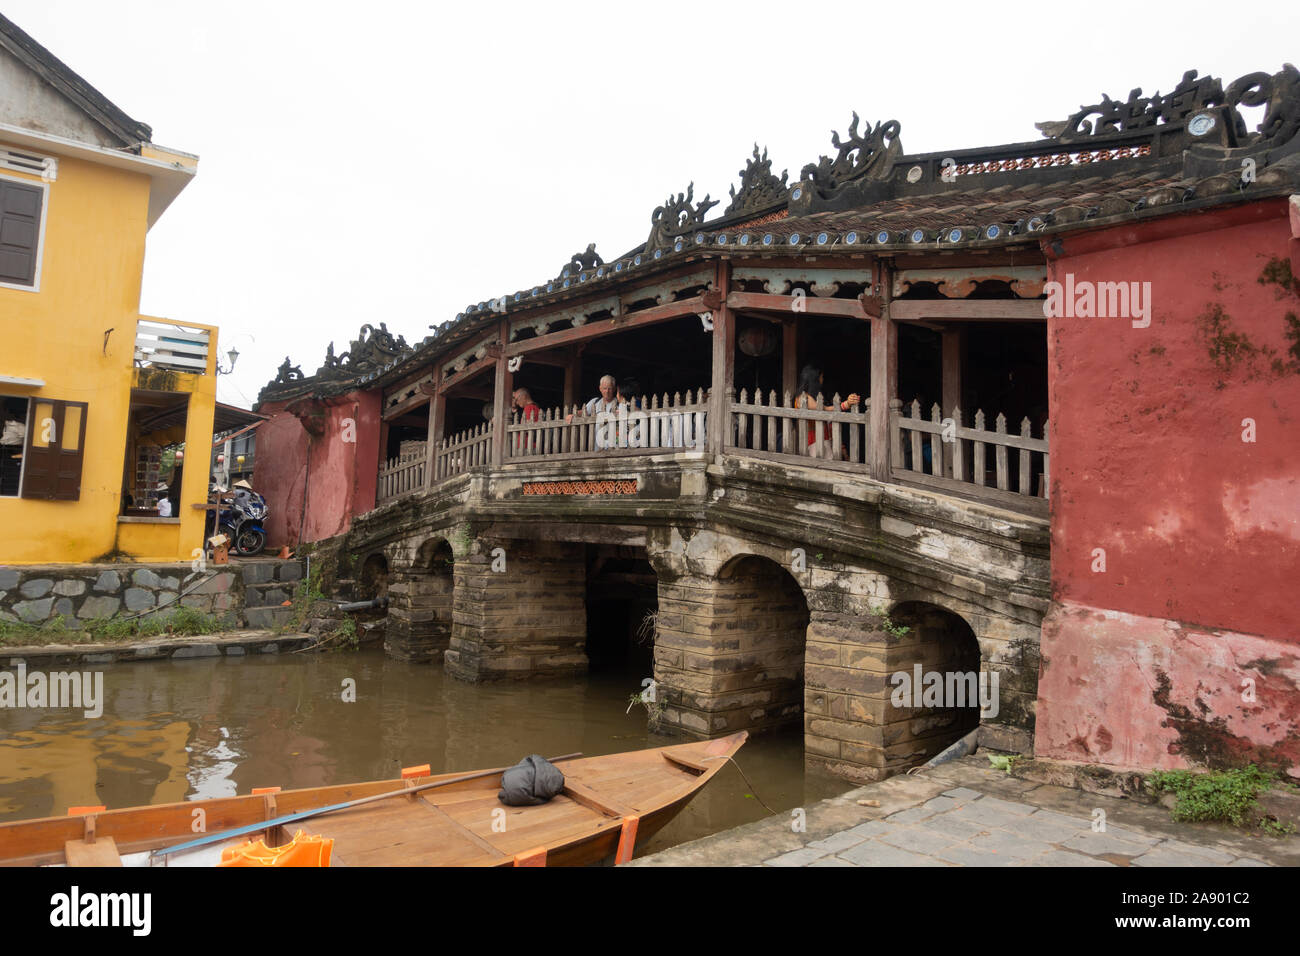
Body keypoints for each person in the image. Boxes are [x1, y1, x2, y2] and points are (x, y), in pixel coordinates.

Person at [794, 365, 861, 457]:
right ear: (814, 379)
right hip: (814, 442)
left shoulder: (812, 396)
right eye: (821, 377)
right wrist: (846, 404)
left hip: (823, 439)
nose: (822, 380)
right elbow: (825, 410)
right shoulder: (803, 397)